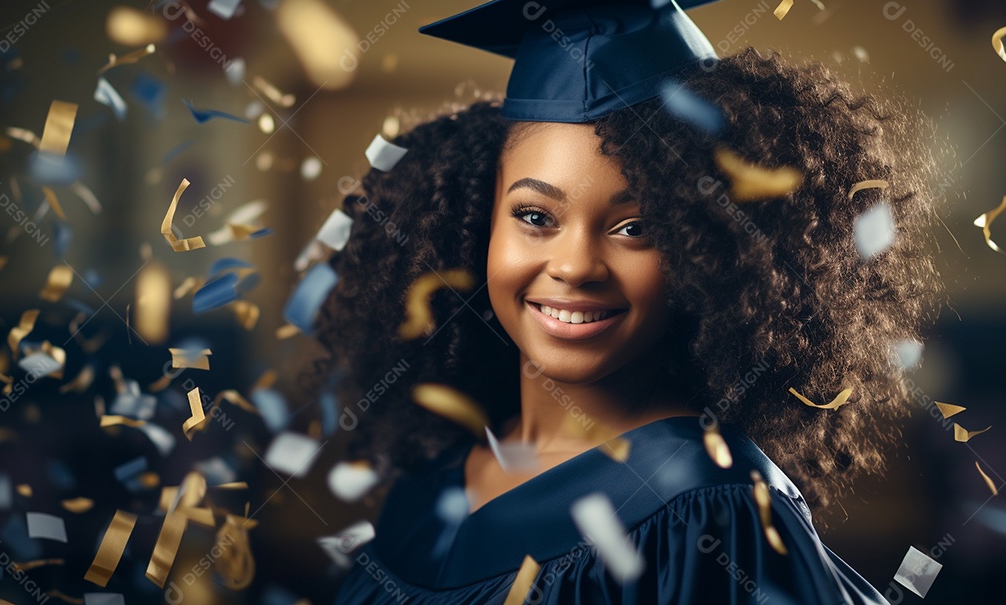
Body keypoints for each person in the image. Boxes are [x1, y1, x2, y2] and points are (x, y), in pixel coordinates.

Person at [309, 0, 944, 602]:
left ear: (710, 253)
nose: (575, 266)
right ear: (477, 228)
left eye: (636, 227)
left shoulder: (712, 506)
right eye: (535, 215)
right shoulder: (434, 480)